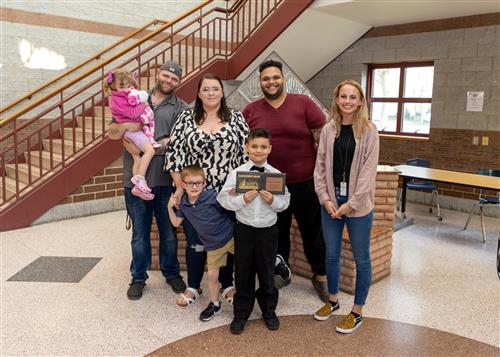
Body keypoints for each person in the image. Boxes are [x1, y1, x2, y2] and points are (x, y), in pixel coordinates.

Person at [242, 59, 328, 301]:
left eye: (275, 77)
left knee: (313, 233)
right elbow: (244, 147)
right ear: (260, 82)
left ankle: (320, 275)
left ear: (284, 78)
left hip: (305, 182)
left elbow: (322, 140)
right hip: (270, 184)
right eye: (266, 78)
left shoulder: (303, 103)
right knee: (275, 233)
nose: (271, 82)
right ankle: (280, 274)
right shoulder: (251, 110)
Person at [164, 73, 249, 308]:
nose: (211, 93)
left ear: (222, 92)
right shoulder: (186, 118)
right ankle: (193, 286)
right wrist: (181, 188)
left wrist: (241, 192)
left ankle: (227, 283)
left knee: (225, 238)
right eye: (206, 89)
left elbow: (245, 157)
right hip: (195, 195)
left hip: (227, 195)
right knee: (196, 241)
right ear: (199, 94)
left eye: (215, 89)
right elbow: (174, 155)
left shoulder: (237, 118)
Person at [107, 61, 188, 300]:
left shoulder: (181, 108)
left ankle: (172, 273)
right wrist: (127, 130)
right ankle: (138, 278)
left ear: (178, 82)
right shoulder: (131, 96)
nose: (169, 81)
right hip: (135, 183)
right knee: (140, 234)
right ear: (157, 75)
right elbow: (112, 133)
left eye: (174, 79)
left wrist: (155, 145)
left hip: (165, 181)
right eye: (166, 76)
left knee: (169, 234)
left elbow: (179, 141)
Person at [312, 79, 379, 334]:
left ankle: (357, 311)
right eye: (343, 97)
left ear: (360, 101)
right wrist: (325, 198)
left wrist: (351, 205)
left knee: (361, 258)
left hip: (358, 207)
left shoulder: (370, 131)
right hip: (330, 204)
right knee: (331, 254)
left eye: (353, 97)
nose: (348, 101)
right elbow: (319, 167)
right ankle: (333, 300)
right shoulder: (329, 129)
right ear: (337, 99)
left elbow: (368, 173)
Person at [218, 128, 290, 334]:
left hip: (268, 231)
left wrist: (273, 200)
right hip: (245, 231)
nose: (258, 151)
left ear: (270, 149)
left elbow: (285, 202)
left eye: (263, 147)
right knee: (243, 273)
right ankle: (241, 313)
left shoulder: (276, 175)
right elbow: (223, 199)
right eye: (254, 146)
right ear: (247, 147)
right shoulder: (237, 173)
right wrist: (242, 199)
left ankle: (269, 310)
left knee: (267, 273)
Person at [167, 165, 235, 322]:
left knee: (249, 260)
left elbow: (229, 208)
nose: (194, 186)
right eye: (190, 183)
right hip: (213, 247)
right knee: (212, 276)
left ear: (204, 183)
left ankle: (246, 292)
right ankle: (215, 304)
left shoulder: (213, 197)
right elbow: (176, 223)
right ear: (183, 184)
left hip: (230, 237)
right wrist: (169, 207)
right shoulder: (184, 204)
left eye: (198, 183)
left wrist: (232, 196)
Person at [104, 68, 159, 200]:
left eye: (128, 86)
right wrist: (144, 104)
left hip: (134, 131)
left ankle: (137, 187)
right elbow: (133, 113)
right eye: (121, 86)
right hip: (132, 132)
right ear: (114, 87)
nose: (125, 89)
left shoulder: (125, 95)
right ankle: (140, 179)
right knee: (149, 151)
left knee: (137, 158)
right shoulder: (116, 100)